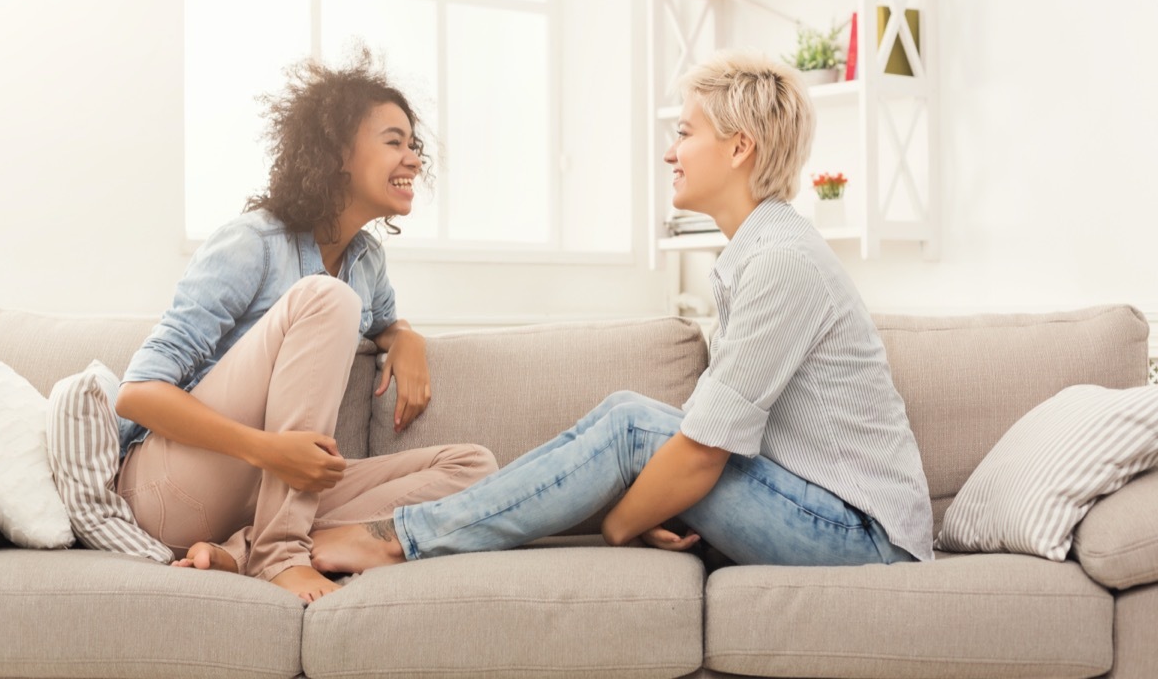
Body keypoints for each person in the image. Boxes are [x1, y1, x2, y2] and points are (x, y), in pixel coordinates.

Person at [307, 51, 934, 574]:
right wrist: (660, 507)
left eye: (685, 133)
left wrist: (621, 522)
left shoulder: (781, 262)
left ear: (740, 147)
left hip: (868, 541)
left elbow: (702, 452)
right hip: (820, 514)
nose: (671, 153)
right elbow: (706, 438)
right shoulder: (761, 252)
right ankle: (403, 533)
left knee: (632, 425)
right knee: (624, 416)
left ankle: (399, 539)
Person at [114, 50, 497, 603]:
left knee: (473, 468)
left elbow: (384, 320)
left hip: (255, 500)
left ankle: (242, 551)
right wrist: (267, 450)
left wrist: (404, 336)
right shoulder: (253, 243)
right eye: (394, 141)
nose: (413, 157)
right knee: (326, 298)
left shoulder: (365, 260)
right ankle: (280, 554)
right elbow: (137, 395)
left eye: (414, 144)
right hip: (166, 490)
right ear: (340, 152)